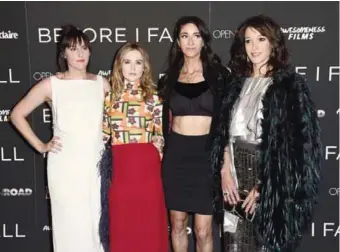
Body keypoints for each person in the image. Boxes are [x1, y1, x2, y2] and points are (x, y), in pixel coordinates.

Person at [210, 15, 322, 251]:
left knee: (265, 245)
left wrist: (264, 187)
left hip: (271, 181)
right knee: (235, 244)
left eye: (261, 39)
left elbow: (297, 148)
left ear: (273, 42)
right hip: (234, 177)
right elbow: (223, 133)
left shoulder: (290, 86)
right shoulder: (236, 84)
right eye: (248, 41)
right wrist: (224, 170)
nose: (254, 47)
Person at [10, 24, 110, 252]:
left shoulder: (101, 84)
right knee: (69, 226)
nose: (80, 54)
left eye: (84, 48)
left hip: (96, 165)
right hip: (64, 167)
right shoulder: (51, 84)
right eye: (74, 49)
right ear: (63, 53)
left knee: (97, 226)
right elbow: (17, 114)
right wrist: (41, 146)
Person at [158, 16, 230, 252]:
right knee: (177, 225)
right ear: (177, 42)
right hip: (176, 156)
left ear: (204, 41)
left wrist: (224, 160)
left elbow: (227, 122)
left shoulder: (220, 77)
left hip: (206, 155)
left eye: (196, 36)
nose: (190, 42)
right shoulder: (168, 79)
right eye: (184, 36)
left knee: (203, 230)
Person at [102, 42, 168, 252]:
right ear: (119, 66)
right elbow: (104, 135)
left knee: (149, 227)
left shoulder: (155, 98)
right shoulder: (109, 98)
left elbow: (160, 135)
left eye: (138, 62)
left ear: (144, 67)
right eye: (127, 62)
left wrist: (157, 152)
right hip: (121, 171)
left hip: (147, 170)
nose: (132, 68)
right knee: (122, 227)